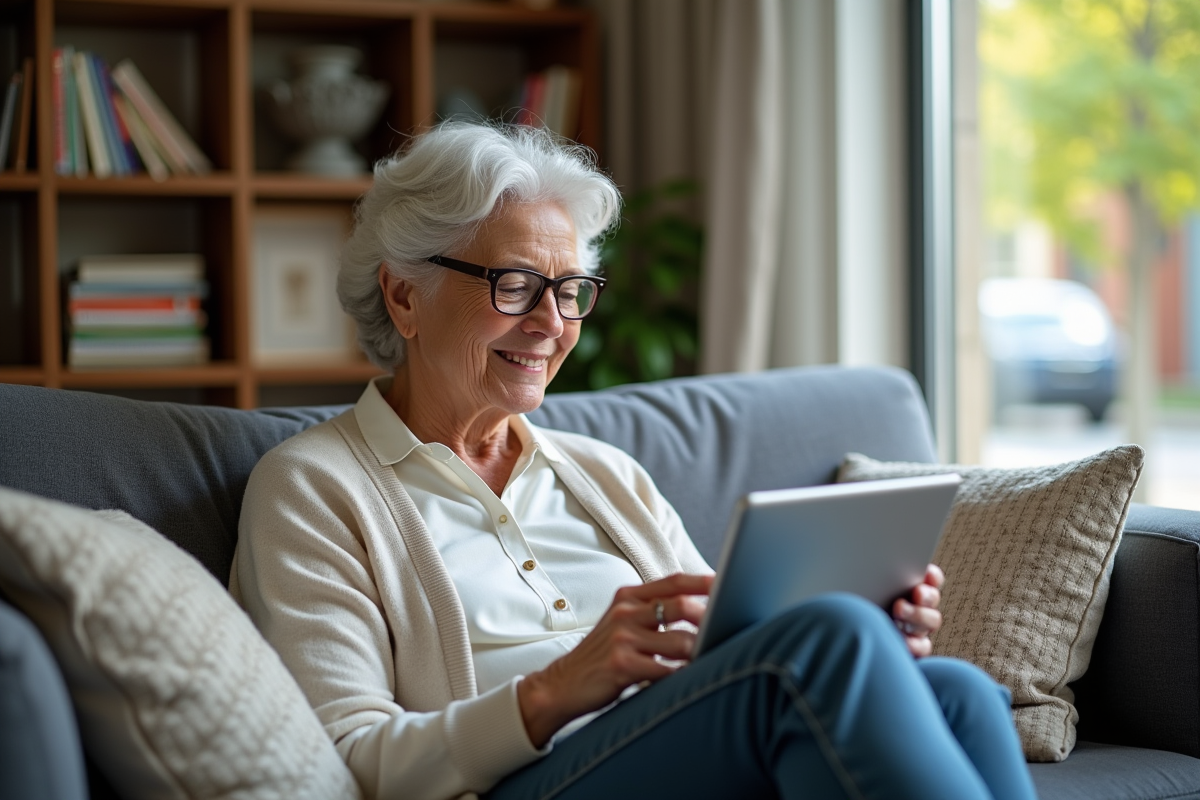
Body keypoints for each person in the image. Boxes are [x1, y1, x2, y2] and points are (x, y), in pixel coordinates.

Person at [230, 122, 1037, 800]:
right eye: (515, 285)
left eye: (571, 288)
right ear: (405, 296)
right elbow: (341, 760)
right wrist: (554, 691)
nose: (552, 322)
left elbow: (726, 653)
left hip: (677, 757)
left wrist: (875, 642)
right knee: (826, 642)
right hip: (518, 784)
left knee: (957, 692)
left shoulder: (605, 474)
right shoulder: (312, 488)